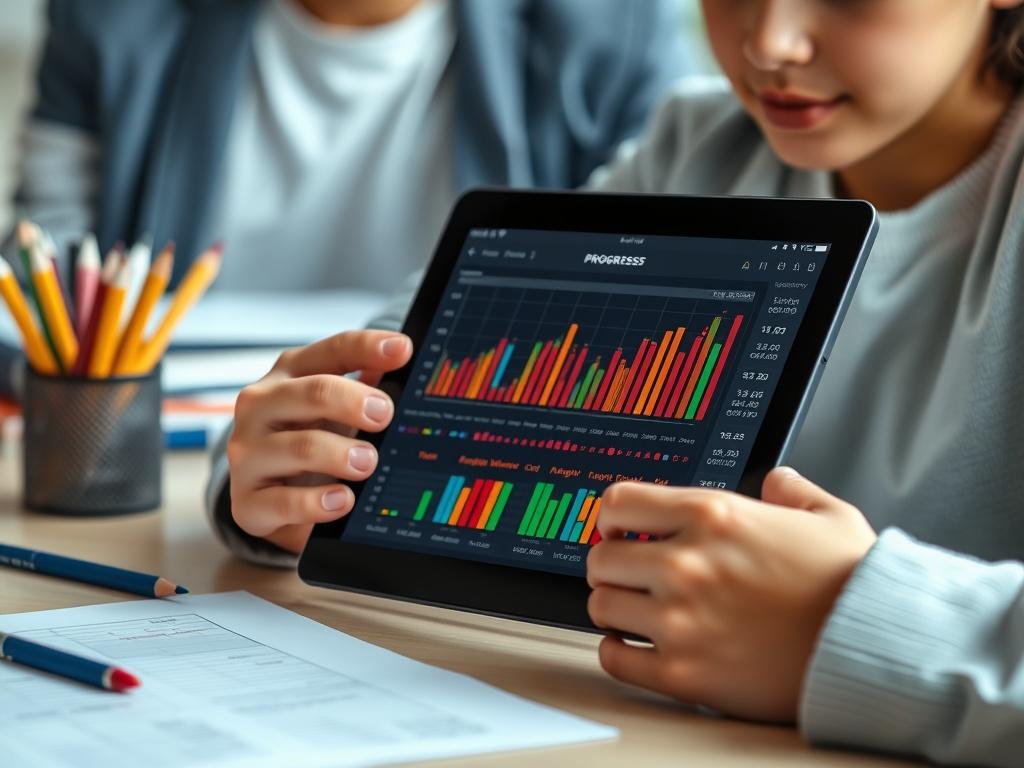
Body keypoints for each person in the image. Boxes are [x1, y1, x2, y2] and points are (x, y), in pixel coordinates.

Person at [215, 1, 1024, 765]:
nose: (770, 41)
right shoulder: (699, 144)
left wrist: (852, 626)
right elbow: (374, 369)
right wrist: (287, 473)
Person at [3, 0, 688, 388]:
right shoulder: (107, 18)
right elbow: (42, 276)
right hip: (159, 451)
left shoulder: (617, 31)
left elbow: (649, 315)